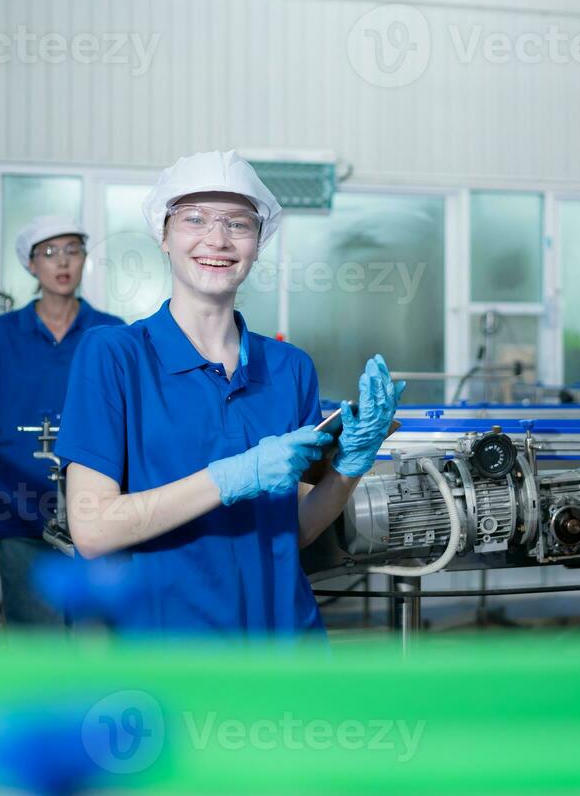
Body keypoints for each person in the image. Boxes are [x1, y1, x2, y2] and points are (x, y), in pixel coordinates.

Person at [54, 151, 403, 637]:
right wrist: (234, 475)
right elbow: (92, 531)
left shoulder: (289, 368)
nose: (217, 239)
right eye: (194, 219)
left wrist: (348, 469)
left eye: (238, 224)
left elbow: (294, 529)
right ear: (164, 234)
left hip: (281, 637)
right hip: (162, 646)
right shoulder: (114, 355)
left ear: (259, 243)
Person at [0, 215, 124, 626]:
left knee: (99, 638)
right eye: (49, 253)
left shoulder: (112, 332)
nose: (62, 262)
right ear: (31, 266)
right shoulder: (1, 334)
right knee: (35, 642)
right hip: (17, 505)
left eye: (72, 251)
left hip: (98, 506)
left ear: (85, 260)